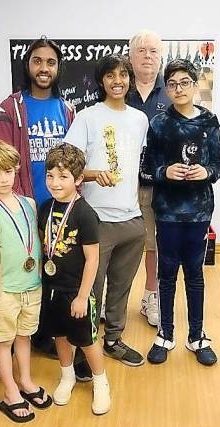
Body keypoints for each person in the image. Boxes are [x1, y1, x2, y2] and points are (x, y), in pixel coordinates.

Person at [0, 36, 90, 380]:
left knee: (54, 276)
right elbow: (0, 156)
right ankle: (7, 342)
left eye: (51, 63)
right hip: (25, 208)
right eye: (38, 61)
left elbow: (74, 160)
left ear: (58, 68)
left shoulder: (68, 110)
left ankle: (46, 337)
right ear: (27, 65)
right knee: (22, 275)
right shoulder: (11, 107)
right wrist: (13, 203)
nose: (44, 68)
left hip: (59, 209)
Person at [64, 53, 148, 367]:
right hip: (96, 220)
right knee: (92, 288)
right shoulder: (88, 116)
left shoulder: (140, 119)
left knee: (121, 287)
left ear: (130, 79)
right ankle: (86, 349)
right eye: (110, 75)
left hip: (132, 219)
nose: (117, 81)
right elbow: (67, 164)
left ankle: (113, 340)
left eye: (123, 75)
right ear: (101, 81)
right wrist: (90, 173)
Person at [140, 59, 220, 365]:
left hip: (199, 211)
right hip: (167, 212)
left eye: (184, 82)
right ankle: (165, 334)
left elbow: (219, 165)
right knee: (166, 274)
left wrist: (206, 171)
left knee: (195, 274)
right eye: (172, 84)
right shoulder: (159, 124)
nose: (178, 89)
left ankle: (197, 336)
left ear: (194, 84)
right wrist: (165, 171)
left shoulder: (209, 121)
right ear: (168, 87)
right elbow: (148, 168)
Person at [0, 140, 52, 423]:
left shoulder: (28, 203)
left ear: (17, 168)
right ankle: (10, 391)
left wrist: (39, 280)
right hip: (4, 288)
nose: (4, 178)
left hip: (32, 285)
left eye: (8, 171)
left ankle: (26, 381)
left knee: (24, 336)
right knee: (4, 340)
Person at [38, 144, 110, 414]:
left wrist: (82, 297)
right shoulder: (45, 207)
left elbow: (93, 260)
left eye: (63, 176)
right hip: (52, 288)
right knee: (59, 335)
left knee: (87, 340)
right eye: (50, 176)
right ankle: (67, 376)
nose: (55, 183)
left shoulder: (85, 214)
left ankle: (101, 382)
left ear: (79, 179)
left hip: (76, 292)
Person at [127, 30, 171, 327]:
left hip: (159, 185)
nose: (147, 56)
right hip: (120, 185)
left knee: (155, 245)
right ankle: (110, 298)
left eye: (153, 51)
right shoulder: (117, 88)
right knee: (118, 244)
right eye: (141, 50)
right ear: (130, 56)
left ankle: (150, 297)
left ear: (161, 58)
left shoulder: (171, 92)